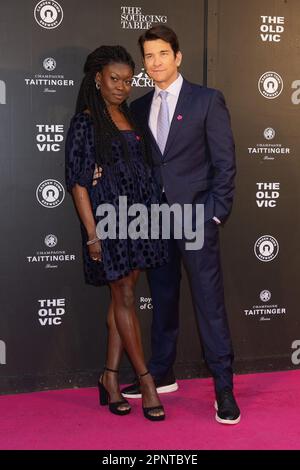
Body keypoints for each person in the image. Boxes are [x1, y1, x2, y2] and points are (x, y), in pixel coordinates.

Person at [120, 25, 241, 424]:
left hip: (196, 220)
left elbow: (225, 163)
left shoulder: (206, 100)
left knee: (209, 305)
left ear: (178, 57)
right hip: (155, 223)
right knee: (163, 301)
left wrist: (214, 214)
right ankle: (162, 372)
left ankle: (224, 387)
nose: (155, 63)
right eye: (148, 57)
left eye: (162, 54)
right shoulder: (137, 108)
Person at [65, 45, 168, 421]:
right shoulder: (85, 122)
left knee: (122, 296)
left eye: (128, 80)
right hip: (107, 223)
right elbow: (77, 185)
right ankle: (145, 380)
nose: (123, 87)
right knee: (123, 294)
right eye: (114, 79)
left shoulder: (129, 116)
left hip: (139, 218)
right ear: (97, 78)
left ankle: (109, 378)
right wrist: (93, 236)